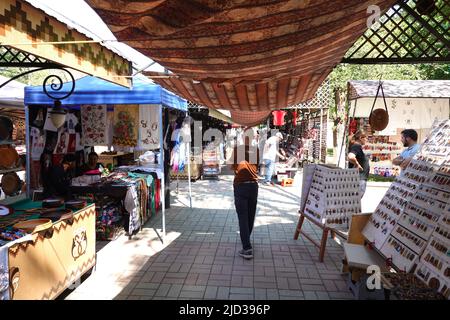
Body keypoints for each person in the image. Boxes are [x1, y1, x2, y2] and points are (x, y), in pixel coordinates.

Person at [229, 137, 260, 260]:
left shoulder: (237, 150)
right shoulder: (256, 150)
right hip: (253, 185)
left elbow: (232, 167)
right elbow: (257, 166)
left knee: (242, 217)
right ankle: (246, 239)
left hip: (240, 185)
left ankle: (247, 248)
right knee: (250, 215)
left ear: (242, 137)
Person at [347, 130, 370, 198]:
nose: (367, 140)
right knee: (354, 202)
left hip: (358, 179)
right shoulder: (356, 146)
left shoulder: (356, 146)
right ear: (360, 138)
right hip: (358, 179)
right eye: (366, 138)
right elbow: (350, 157)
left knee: (353, 202)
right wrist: (357, 165)